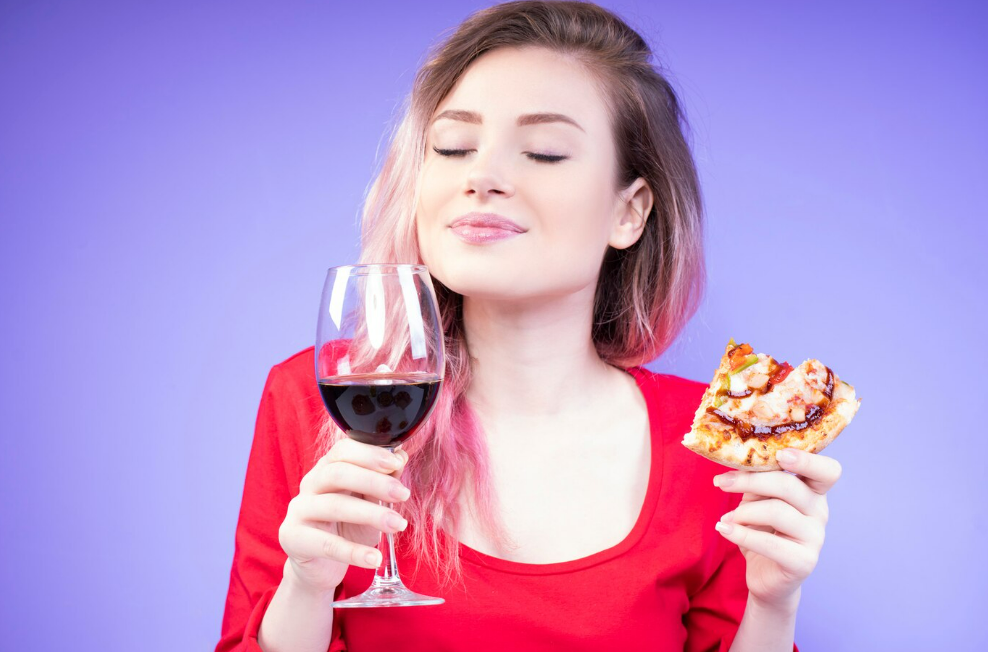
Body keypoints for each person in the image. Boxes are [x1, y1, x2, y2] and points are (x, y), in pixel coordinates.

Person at [215, 2, 841, 650]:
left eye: (542, 153)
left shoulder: (714, 453)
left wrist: (773, 602)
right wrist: (307, 585)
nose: (482, 177)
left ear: (629, 212)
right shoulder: (317, 400)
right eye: (453, 146)